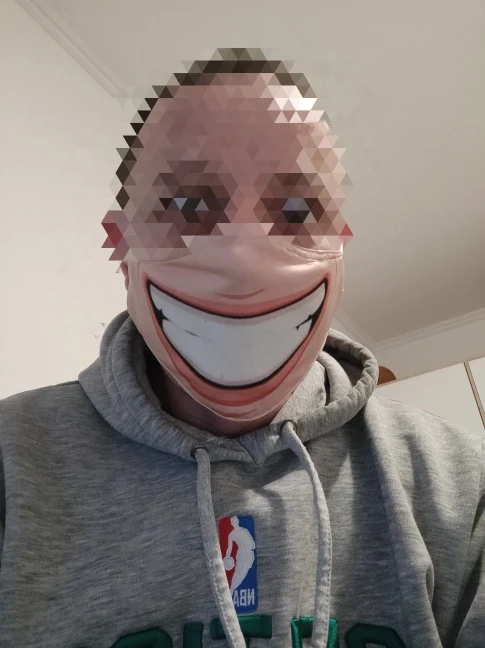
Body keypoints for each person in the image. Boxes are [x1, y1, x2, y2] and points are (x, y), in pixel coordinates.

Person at [0, 48, 483, 648]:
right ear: (121, 247)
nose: (242, 261)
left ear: (339, 244)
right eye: (187, 205)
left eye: (298, 209)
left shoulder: (459, 483)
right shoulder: (13, 463)